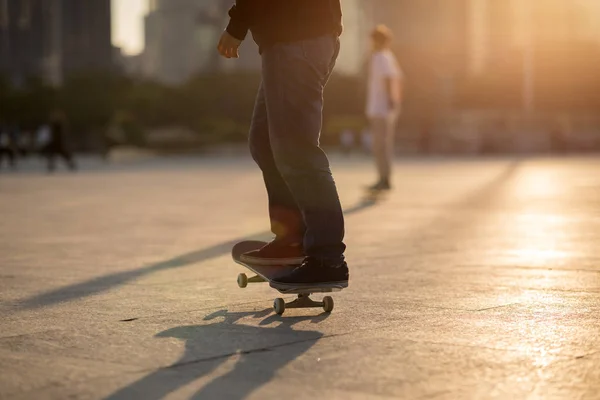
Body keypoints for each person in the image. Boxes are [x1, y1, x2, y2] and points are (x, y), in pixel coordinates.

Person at [217, 0, 349, 290]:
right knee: (264, 143)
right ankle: (292, 238)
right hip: (294, 37)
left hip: (296, 37)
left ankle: (327, 258)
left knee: (297, 151)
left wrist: (237, 25)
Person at [365, 25, 403, 191]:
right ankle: (382, 177)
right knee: (380, 145)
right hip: (378, 108)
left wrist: (391, 101)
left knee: (381, 145)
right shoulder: (385, 57)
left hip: (381, 109)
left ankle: (384, 179)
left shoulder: (382, 57)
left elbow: (390, 79)